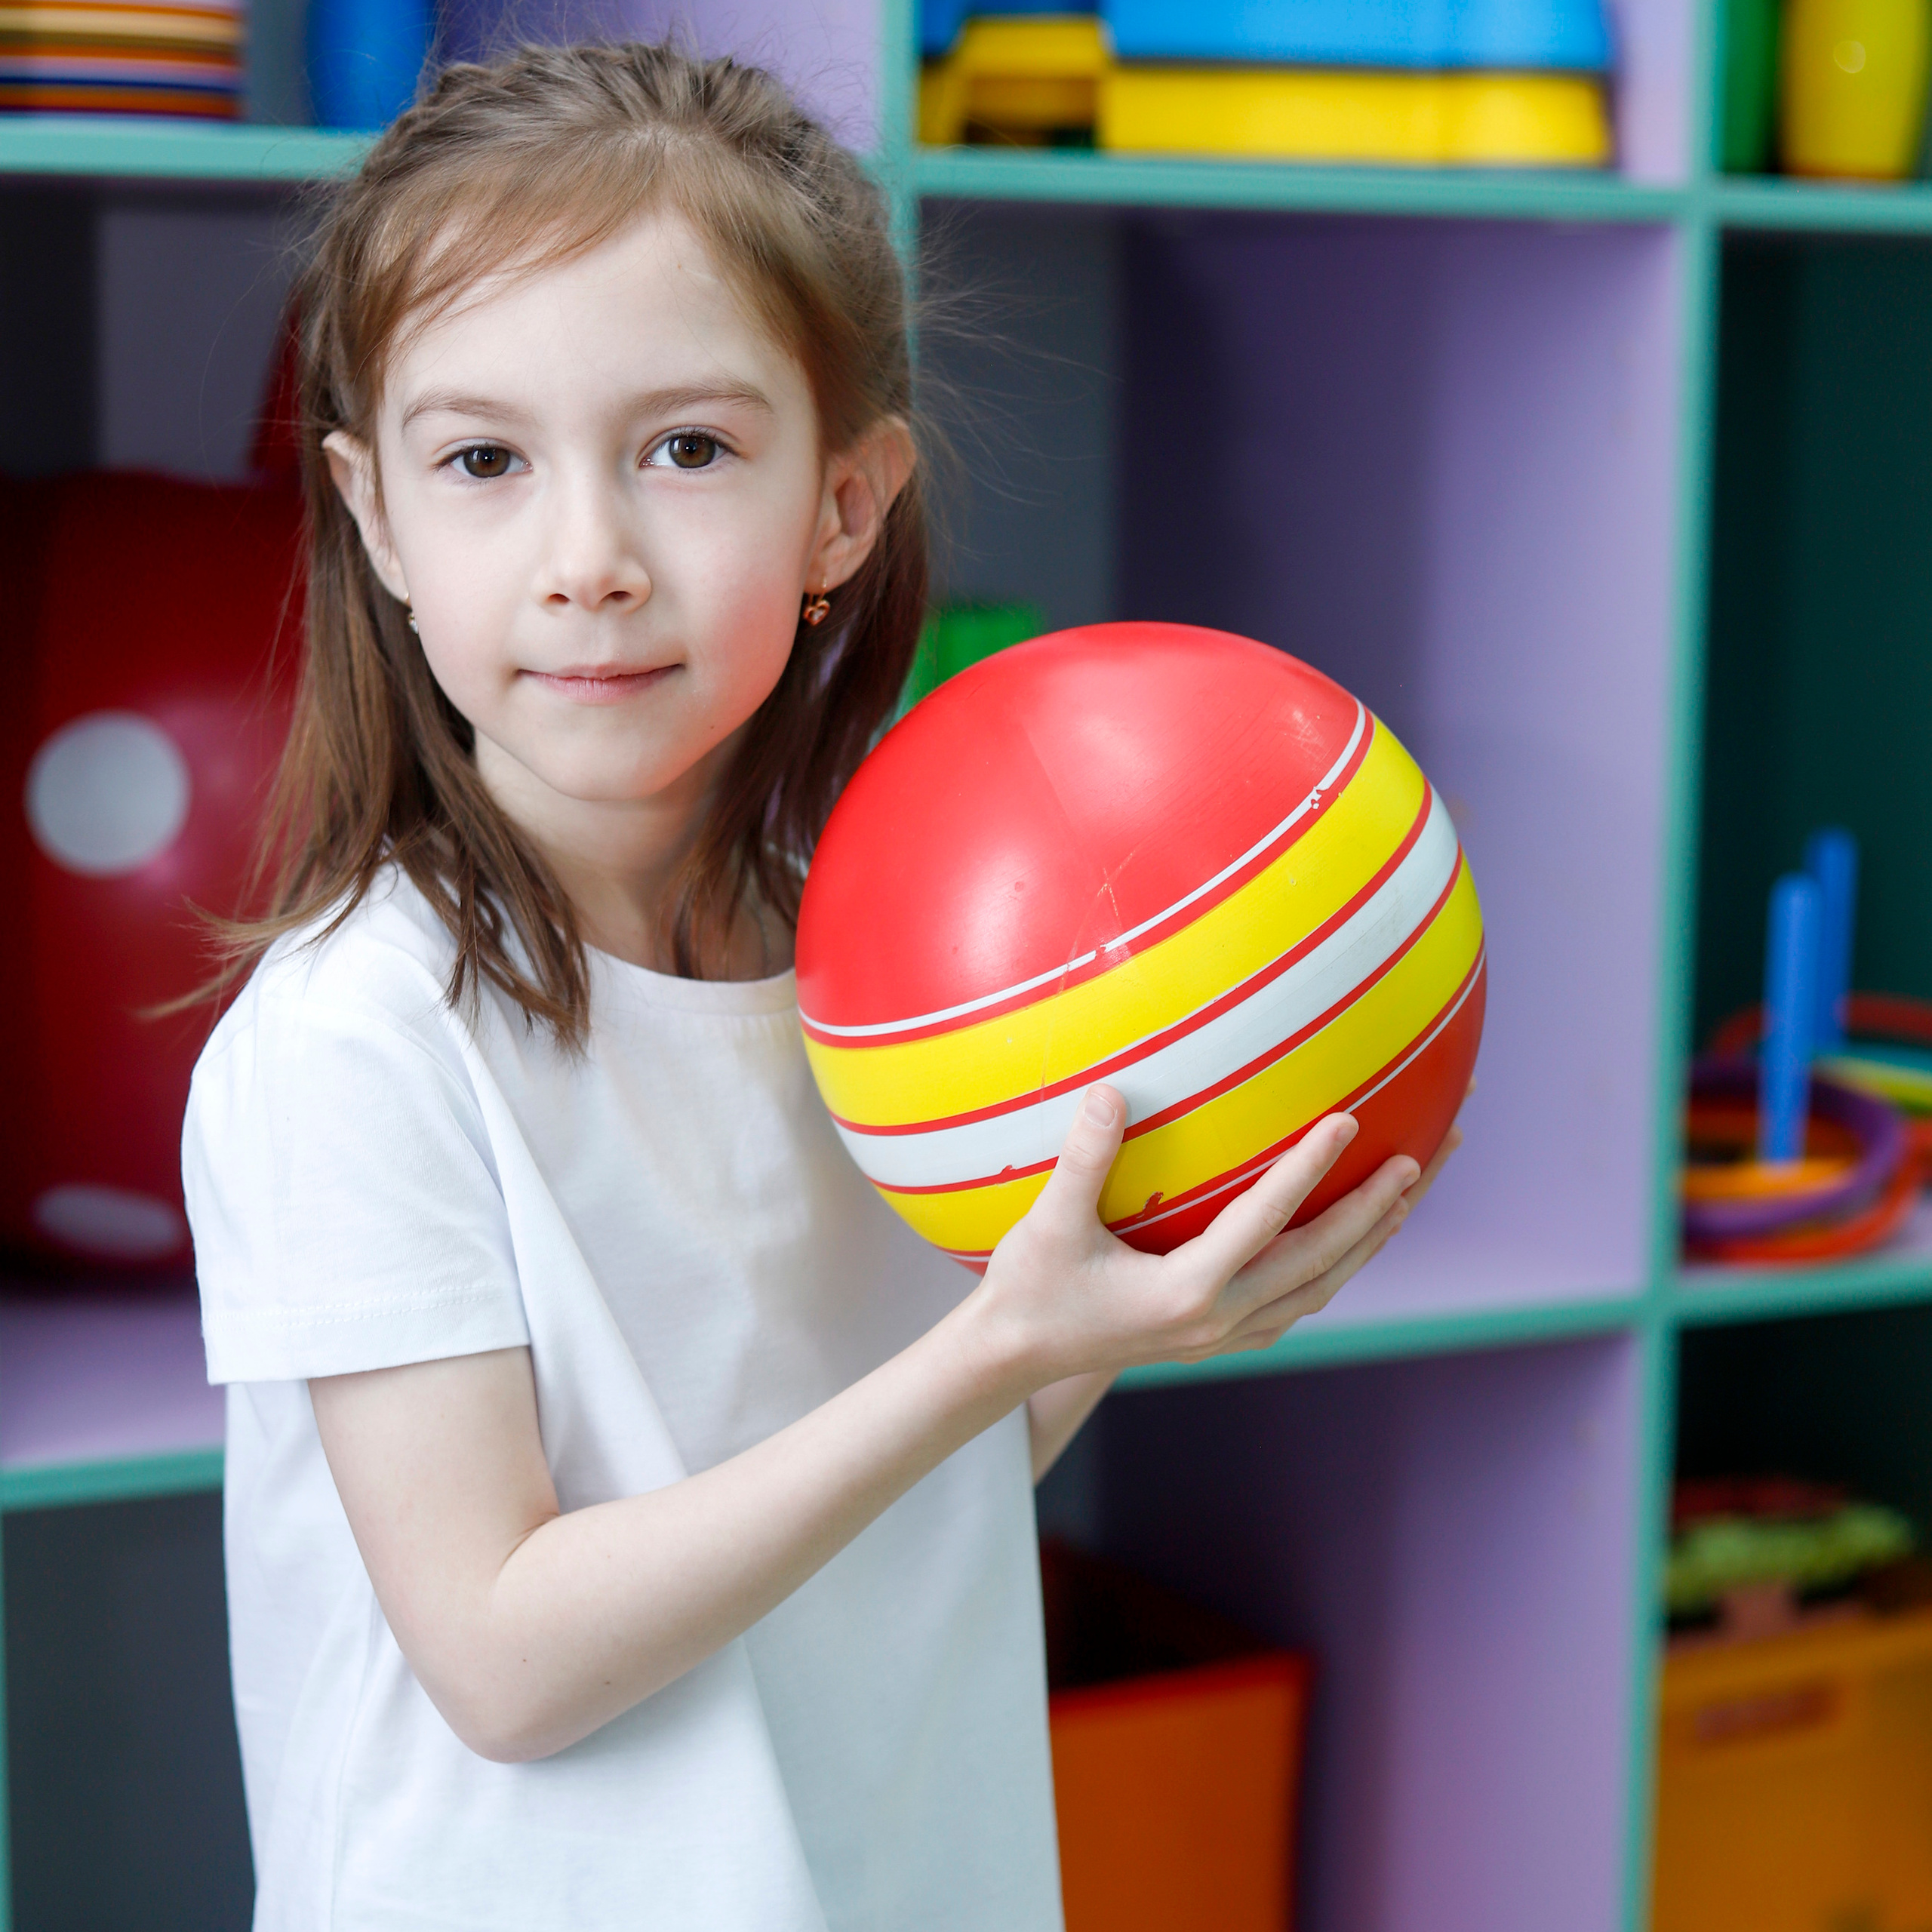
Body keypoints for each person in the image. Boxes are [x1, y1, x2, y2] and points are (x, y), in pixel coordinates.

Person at [183, 41, 1459, 1932]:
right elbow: (505, 1655)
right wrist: (1000, 1346)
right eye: (482, 462)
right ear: (376, 516)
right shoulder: (350, 1035)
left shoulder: (907, 977)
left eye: (685, 449)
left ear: (843, 508)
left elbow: (911, 1490)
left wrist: (1105, 1313)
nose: (589, 561)